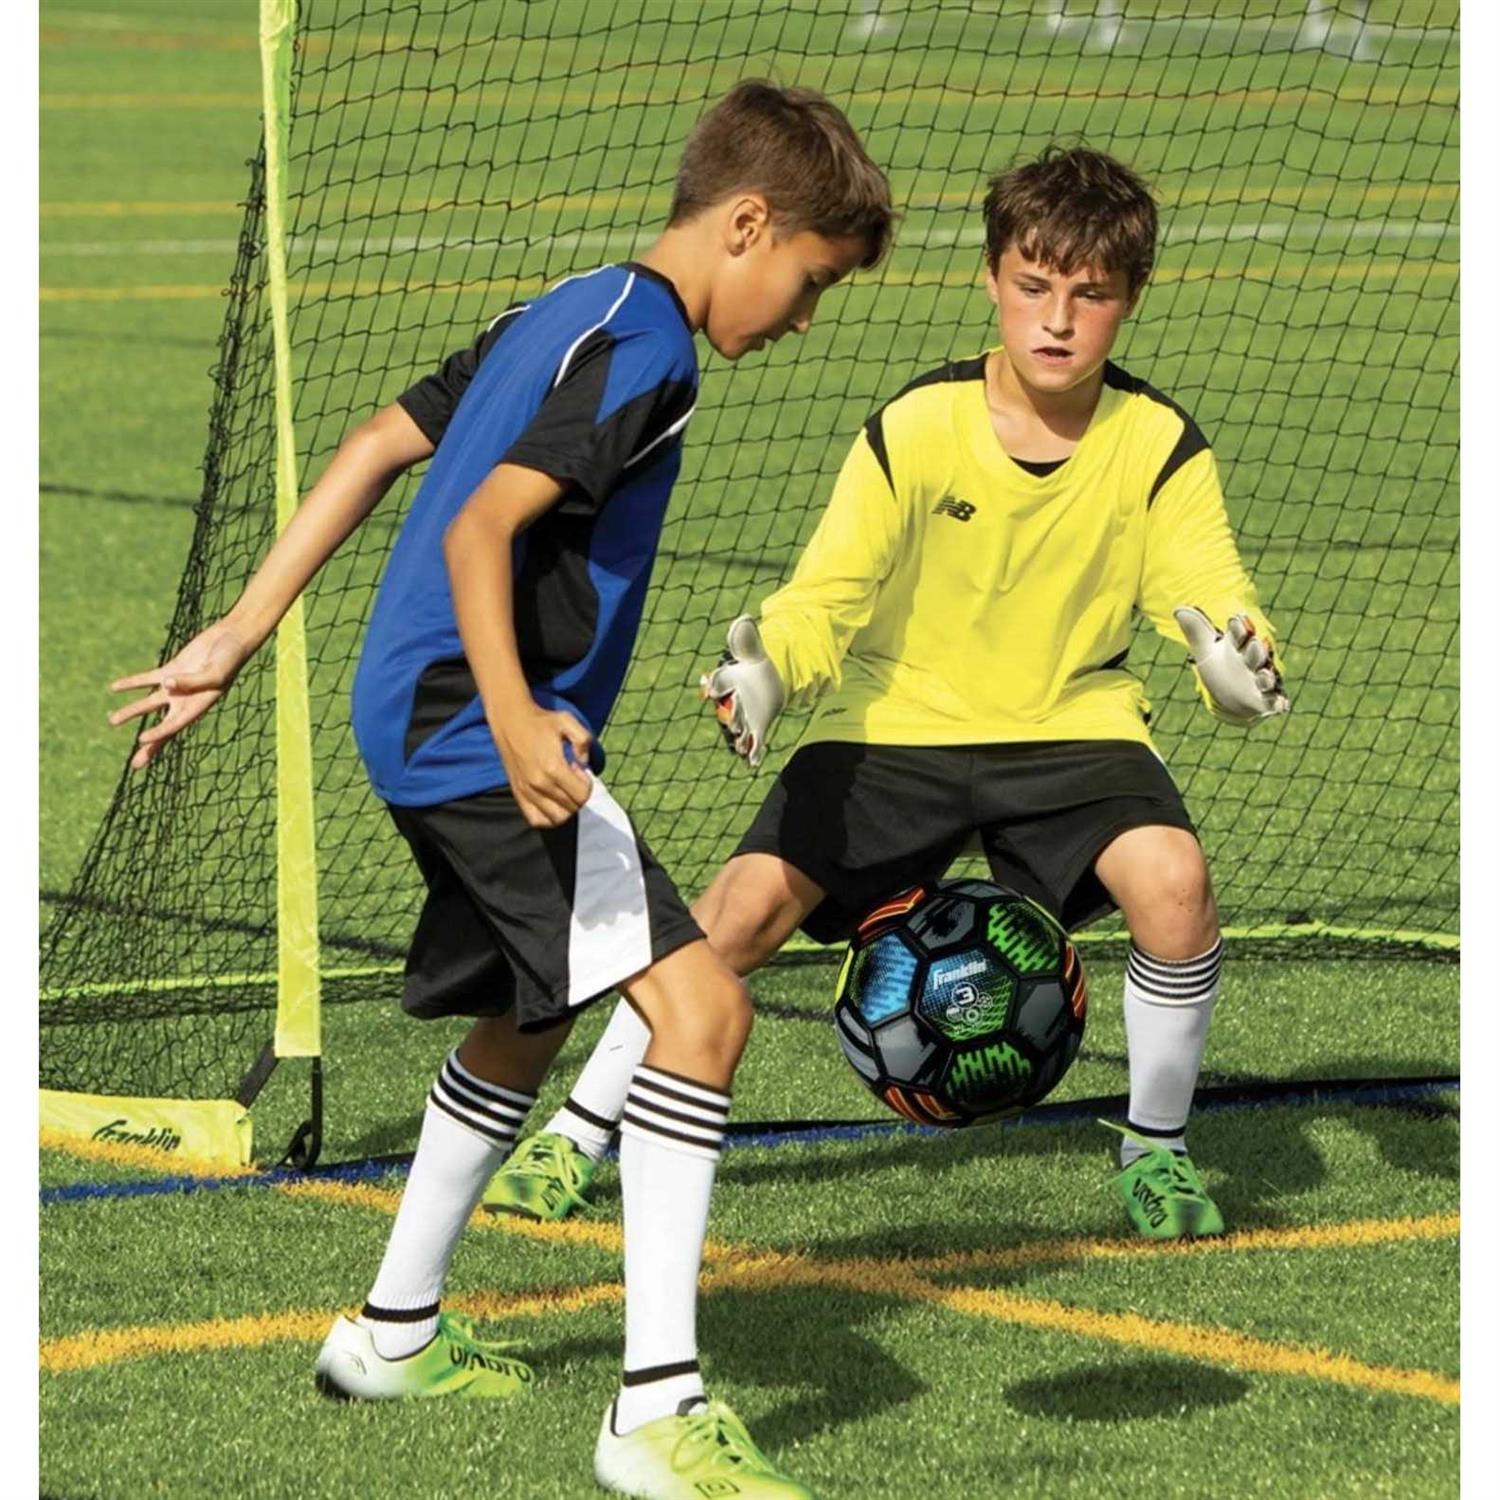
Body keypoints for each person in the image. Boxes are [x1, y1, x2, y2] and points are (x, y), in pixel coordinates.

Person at [108, 80, 893, 1500]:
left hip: (418, 716)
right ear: (747, 223)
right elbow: (480, 528)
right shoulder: (649, 351)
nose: (804, 317)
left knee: (533, 1013)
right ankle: (654, 1413)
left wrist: (237, 633)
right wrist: (521, 714)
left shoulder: (573, 301)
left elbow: (375, 442)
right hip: (476, 731)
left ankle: (392, 1332)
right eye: (813, 280)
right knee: (704, 1013)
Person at [485, 145, 1289, 1244]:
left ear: (1132, 297)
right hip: (894, 720)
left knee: (1177, 883)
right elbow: (828, 595)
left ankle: (1156, 1147)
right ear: (991, 280)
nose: (1058, 320)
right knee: (737, 912)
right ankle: (578, 1134)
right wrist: (772, 668)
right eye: (1033, 287)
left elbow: (1211, 592)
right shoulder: (918, 424)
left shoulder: (1158, 445)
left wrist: (1236, 662)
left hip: (1070, 721)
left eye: (1091, 295)